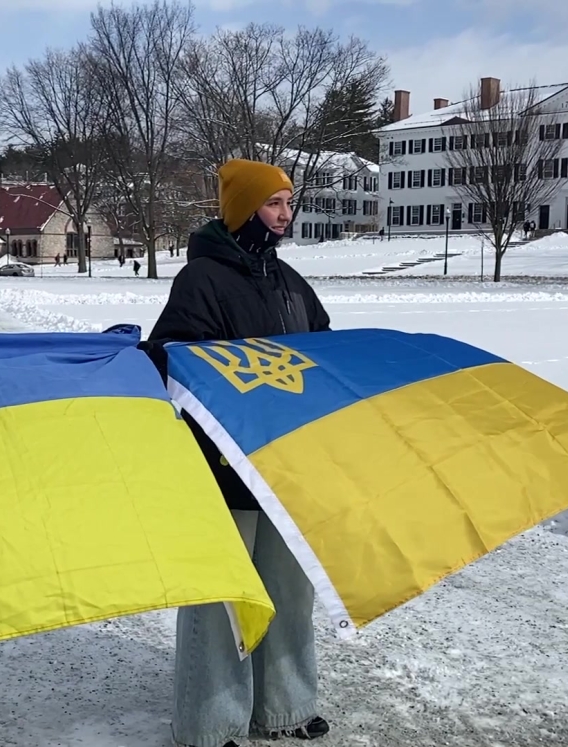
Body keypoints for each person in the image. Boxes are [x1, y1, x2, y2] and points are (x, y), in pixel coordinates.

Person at [144, 159, 331, 747]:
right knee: (225, 602)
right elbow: (170, 355)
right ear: (245, 209)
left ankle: (285, 707)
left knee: (288, 590)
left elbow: (323, 352)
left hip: (284, 462)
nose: (286, 214)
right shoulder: (201, 279)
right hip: (225, 463)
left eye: (289, 202)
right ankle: (212, 723)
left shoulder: (290, 282)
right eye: (274, 203)